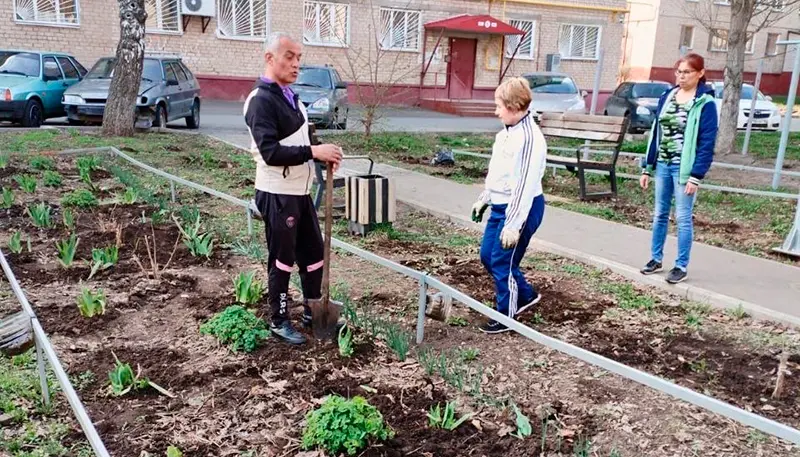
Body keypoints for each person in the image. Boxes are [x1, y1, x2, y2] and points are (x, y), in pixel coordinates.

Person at [244, 32, 342, 345]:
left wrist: (322, 152)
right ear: (269, 58)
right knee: (282, 259)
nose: (296, 64)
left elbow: (301, 139)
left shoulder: (290, 96)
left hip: (299, 192)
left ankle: (314, 310)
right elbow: (270, 152)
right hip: (277, 192)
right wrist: (313, 152)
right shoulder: (260, 101)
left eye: (299, 57)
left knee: (313, 254)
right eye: (289, 56)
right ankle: (279, 319)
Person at [471, 77, 547, 334]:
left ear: (514, 107)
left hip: (522, 208)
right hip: (501, 205)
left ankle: (507, 316)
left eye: (499, 106)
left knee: (503, 261)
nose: (496, 111)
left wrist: (513, 225)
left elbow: (524, 187)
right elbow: (499, 174)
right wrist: (485, 198)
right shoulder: (506, 132)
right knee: (487, 256)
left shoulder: (529, 139)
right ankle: (525, 294)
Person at [639, 53, 718, 284]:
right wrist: (647, 167)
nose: (681, 77)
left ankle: (681, 265)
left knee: (683, 217)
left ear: (700, 73)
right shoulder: (669, 95)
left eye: (687, 72)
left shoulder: (705, 103)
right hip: (663, 164)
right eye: (679, 72)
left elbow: (706, 143)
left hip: (683, 170)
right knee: (660, 214)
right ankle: (655, 258)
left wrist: (696, 176)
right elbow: (656, 133)